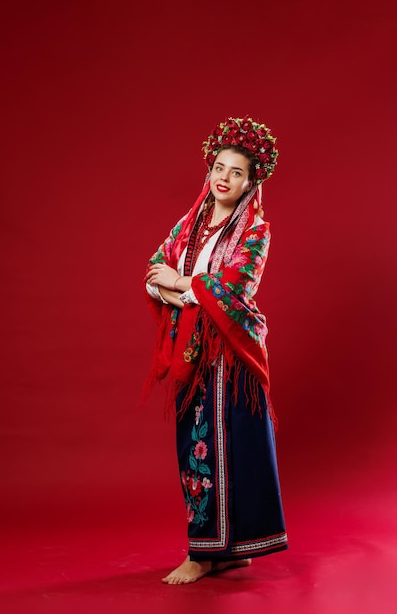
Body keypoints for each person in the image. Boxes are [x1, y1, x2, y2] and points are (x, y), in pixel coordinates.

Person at [144, 116, 287, 585]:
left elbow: (233, 287)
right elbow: (154, 268)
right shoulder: (191, 224)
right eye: (218, 168)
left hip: (232, 351)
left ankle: (213, 553)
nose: (223, 178)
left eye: (236, 172)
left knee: (233, 449)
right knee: (198, 448)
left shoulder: (256, 230)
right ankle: (213, 550)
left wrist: (181, 286)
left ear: (251, 182)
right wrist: (185, 291)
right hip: (195, 349)